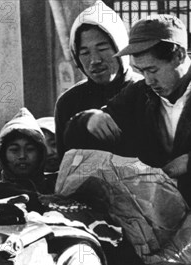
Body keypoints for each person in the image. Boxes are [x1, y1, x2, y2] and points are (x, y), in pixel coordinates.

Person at [69, 14, 191, 229]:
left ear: (179, 55)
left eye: (153, 70)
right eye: (141, 71)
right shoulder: (140, 93)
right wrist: (89, 118)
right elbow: (80, 133)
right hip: (159, 225)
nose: (148, 80)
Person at [55, 0, 141, 159]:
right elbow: (65, 166)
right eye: (85, 52)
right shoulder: (68, 103)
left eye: (102, 49)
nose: (95, 60)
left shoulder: (147, 91)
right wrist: (82, 123)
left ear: (120, 47)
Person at [0, 108, 54, 194]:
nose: (22, 156)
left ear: (41, 153)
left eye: (30, 149)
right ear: (3, 154)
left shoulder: (56, 189)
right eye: (14, 150)